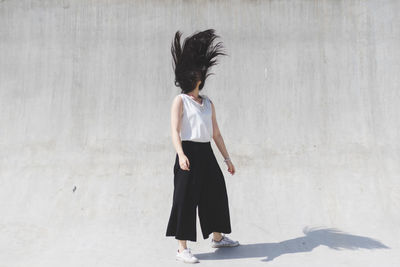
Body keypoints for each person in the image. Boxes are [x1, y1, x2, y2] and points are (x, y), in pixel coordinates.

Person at [165, 29, 240, 264]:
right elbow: (175, 131)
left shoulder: (207, 102)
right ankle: (182, 249)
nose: (197, 74)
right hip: (188, 152)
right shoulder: (181, 101)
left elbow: (216, 133)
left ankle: (217, 237)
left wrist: (227, 158)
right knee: (185, 198)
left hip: (206, 153)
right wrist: (180, 154)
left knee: (215, 193)